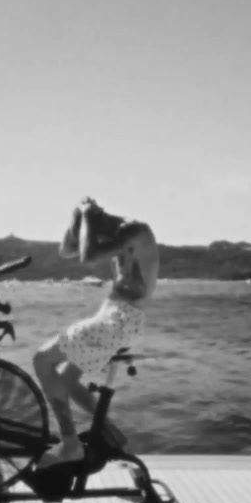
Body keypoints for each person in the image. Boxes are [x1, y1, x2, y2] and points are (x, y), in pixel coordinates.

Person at [32, 197, 159, 467]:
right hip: (113, 316)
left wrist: (87, 214)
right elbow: (67, 250)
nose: (92, 237)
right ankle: (109, 431)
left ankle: (70, 444)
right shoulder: (114, 235)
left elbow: (87, 257)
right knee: (66, 378)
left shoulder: (135, 230)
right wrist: (76, 215)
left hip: (120, 318)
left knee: (42, 360)